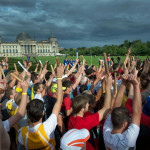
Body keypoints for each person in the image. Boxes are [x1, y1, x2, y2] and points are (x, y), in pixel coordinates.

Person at [18, 64, 64, 150]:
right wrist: (59, 78)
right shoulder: (47, 127)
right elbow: (59, 101)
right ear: (43, 112)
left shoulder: (22, 133)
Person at [68, 75, 112, 150]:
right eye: (86, 104)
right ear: (82, 109)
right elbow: (106, 109)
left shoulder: (72, 118)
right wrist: (108, 87)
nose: (88, 104)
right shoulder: (82, 122)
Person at [103, 74, 142, 150]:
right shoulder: (127, 141)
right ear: (124, 124)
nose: (130, 120)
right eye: (128, 120)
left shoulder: (106, 132)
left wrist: (123, 83)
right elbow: (137, 113)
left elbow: (115, 108)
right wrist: (136, 85)